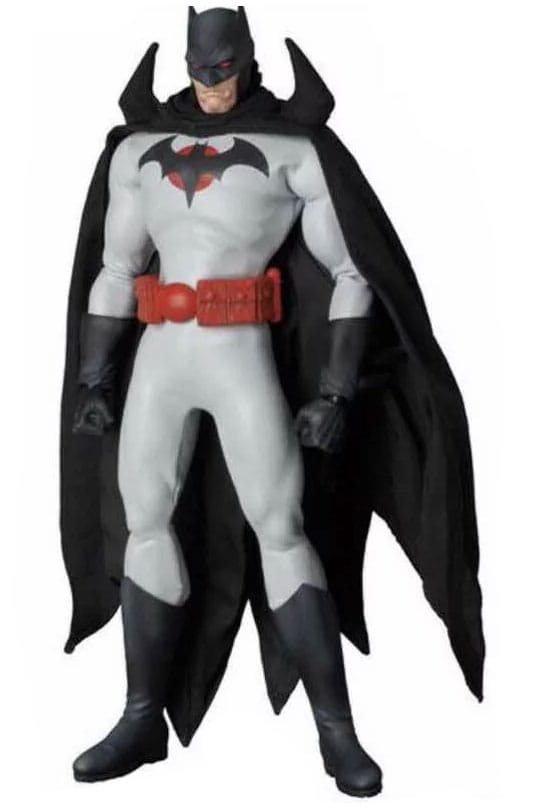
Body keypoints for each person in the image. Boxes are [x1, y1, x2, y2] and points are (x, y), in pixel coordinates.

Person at [60, 5, 485, 798]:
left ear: (247, 61)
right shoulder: (139, 151)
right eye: (199, 69)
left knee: (281, 528)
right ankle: (142, 717)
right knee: (145, 520)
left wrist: (336, 389)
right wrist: (93, 376)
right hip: (161, 356)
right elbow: (116, 270)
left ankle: (336, 732)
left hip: (241, 354)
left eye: (223, 68)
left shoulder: (294, 150)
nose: (210, 83)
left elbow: (354, 271)